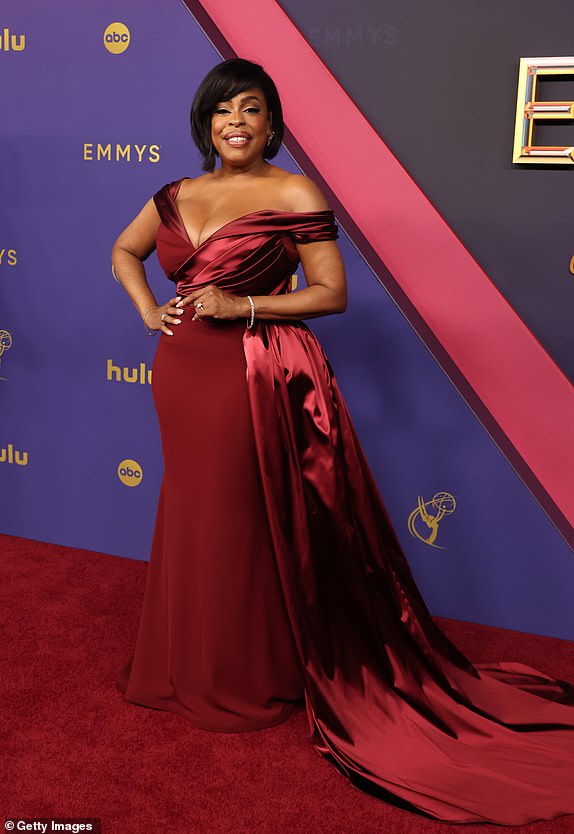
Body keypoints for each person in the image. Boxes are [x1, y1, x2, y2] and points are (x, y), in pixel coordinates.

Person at [112, 58, 574, 825]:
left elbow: (331, 292)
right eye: (223, 109)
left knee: (237, 517)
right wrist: (144, 309)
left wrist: (246, 303)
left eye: (252, 109)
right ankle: (179, 665)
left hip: (250, 371)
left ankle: (247, 673)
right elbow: (128, 254)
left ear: (270, 122)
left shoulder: (293, 190)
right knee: (194, 509)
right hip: (181, 372)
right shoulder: (174, 195)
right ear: (206, 120)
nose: (236, 122)